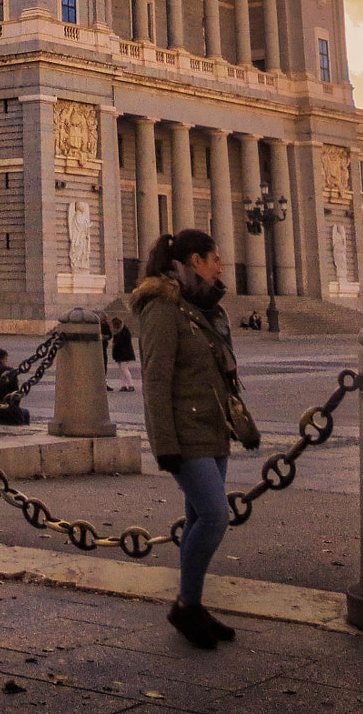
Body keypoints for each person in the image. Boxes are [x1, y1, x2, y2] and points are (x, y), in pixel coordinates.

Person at [132, 227, 246, 649]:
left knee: (201, 518)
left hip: (211, 427)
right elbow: (155, 380)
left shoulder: (198, 306)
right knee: (216, 517)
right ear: (196, 260)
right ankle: (184, 605)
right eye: (215, 258)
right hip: (184, 433)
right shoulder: (163, 307)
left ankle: (193, 603)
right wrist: (164, 445)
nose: (220, 266)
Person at [108, 314, 137, 392]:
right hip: (123, 354)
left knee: (124, 369)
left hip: (123, 354)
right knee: (122, 370)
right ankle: (124, 385)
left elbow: (119, 343)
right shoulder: (123, 331)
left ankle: (131, 385)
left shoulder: (123, 332)